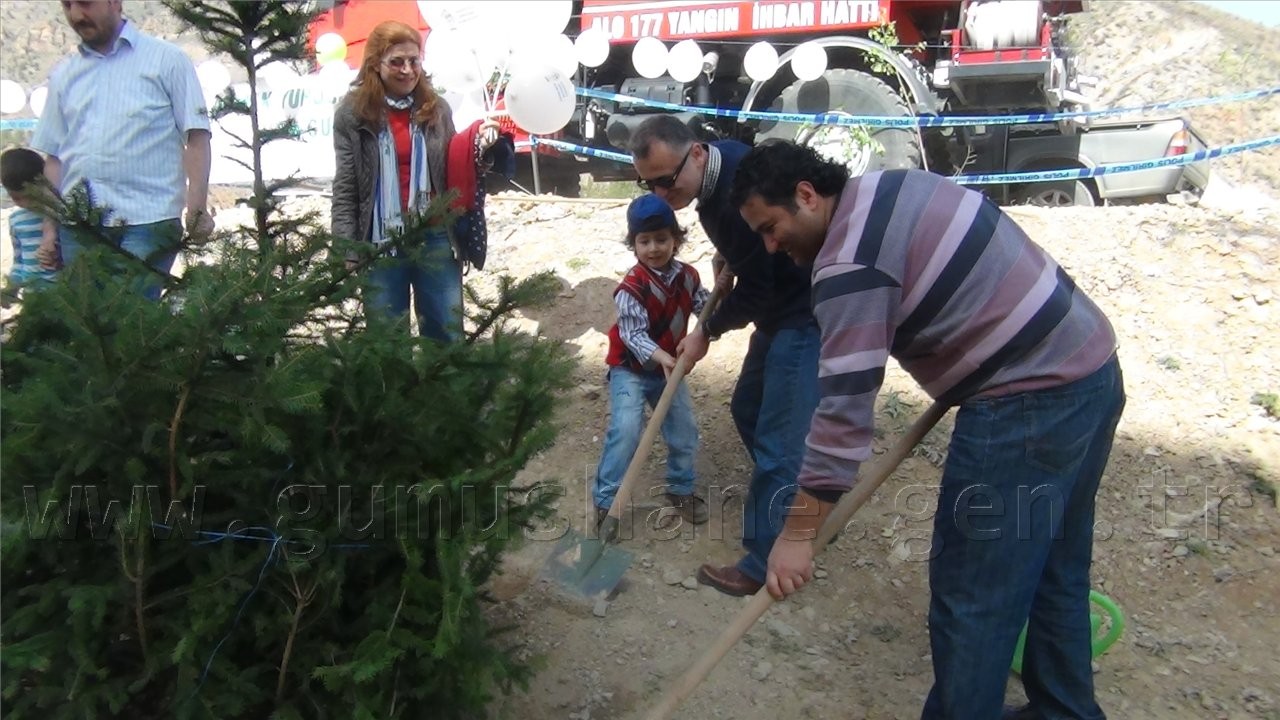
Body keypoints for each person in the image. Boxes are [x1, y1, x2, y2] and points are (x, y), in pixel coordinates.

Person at [730, 141, 1124, 720]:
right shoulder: (890, 186)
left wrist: (794, 537)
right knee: (1055, 569)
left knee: (973, 596)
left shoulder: (847, 266)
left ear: (807, 195)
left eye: (771, 226)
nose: (769, 245)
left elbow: (841, 420)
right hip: (1090, 364)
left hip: (1027, 403)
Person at [629, 115, 820, 597]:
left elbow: (758, 288)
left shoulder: (736, 184)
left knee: (778, 441)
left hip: (804, 313)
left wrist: (707, 331)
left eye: (665, 180)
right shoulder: (713, 176)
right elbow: (754, 254)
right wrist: (731, 255)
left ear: (695, 153)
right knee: (748, 409)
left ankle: (763, 560)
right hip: (778, 311)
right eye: (647, 182)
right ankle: (802, 503)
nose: (657, 192)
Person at [31, 0, 214, 300]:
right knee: (92, 330)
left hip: (149, 220)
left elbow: (196, 137)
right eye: (67, 5)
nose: (77, 15)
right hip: (80, 226)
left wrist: (196, 208)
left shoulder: (167, 61)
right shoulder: (64, 75)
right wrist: (49, 231)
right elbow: (55, 157)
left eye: (86, 3)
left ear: (115, 2)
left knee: (132, 320)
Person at [331, 20, 500, 342]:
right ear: (375, 64)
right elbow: (346, 185)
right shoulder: (352, 114)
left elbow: (454, 168)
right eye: (396, 62)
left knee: (446, 335)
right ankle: (398, 395)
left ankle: (446, 393)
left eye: (414, 61)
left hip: (435, 235)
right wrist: (346, 249)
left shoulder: (437, 109)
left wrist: (480, 146)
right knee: (387, 342)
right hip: (380, 242)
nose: (407, 70)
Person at [593, 194, 712, 529]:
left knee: (684, 430)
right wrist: (665, 358)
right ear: (634, 245)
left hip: (667, 372)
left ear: (676, 239)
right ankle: (607, 501)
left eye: (662, 239)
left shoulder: (688, 276)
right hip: (630, 371)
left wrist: (718, 306)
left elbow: (706, 311)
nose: (654, 248)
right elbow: (633, 336)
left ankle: (680, 488)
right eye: (644, 241)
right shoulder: (631, 287)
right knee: (627, 430)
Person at [2, 148, 59, 302]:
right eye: (17, 198)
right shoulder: (16, 220)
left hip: (64, 298)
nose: (26, 204)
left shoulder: (58, 217)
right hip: (33, 299)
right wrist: (12, 288)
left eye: (31, 196)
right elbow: (19, 261)